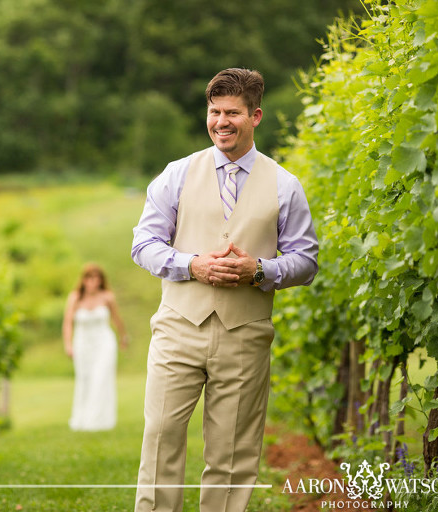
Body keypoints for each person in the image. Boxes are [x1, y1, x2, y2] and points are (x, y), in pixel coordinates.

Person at [131, 68, 319, 511]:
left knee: (232, 457)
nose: (221, 122)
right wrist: (191, 264)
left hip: (245, 336)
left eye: (232, 113)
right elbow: (144, 244)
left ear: (255, 116)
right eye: (214, 112)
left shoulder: (285, 185)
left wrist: (259, 270)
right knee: (160, 439)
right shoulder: (176, 175)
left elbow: (306, 261)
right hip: (178, 329)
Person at [63, 263, 128, 431]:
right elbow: (68, 323)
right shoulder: (75, 298)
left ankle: (100, 420)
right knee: (84, 379)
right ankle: (82, 418)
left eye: (96, 278)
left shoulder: (107, 297)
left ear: (101, 280)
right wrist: (68, 344)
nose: (93, 282)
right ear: (84, 280)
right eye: (89, 278)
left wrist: (123, 337)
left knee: (101, 378)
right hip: (82, 343)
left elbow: (116, 319)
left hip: (104, 342)